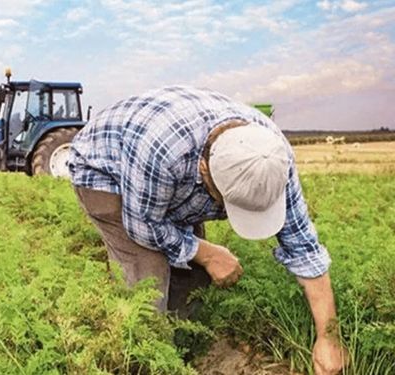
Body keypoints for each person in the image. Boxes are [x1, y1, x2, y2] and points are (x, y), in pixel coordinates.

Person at [68, 85, 346, 375]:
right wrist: (206, 252)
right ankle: (145, 360)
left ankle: (184, 348)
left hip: (169, 176)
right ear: (204, 170)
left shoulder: (272, 157)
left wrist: (329, 337)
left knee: (193, 276)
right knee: (147, 281)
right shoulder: (163, 153)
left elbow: (304, 248)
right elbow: (143, 226)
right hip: (105, 171)